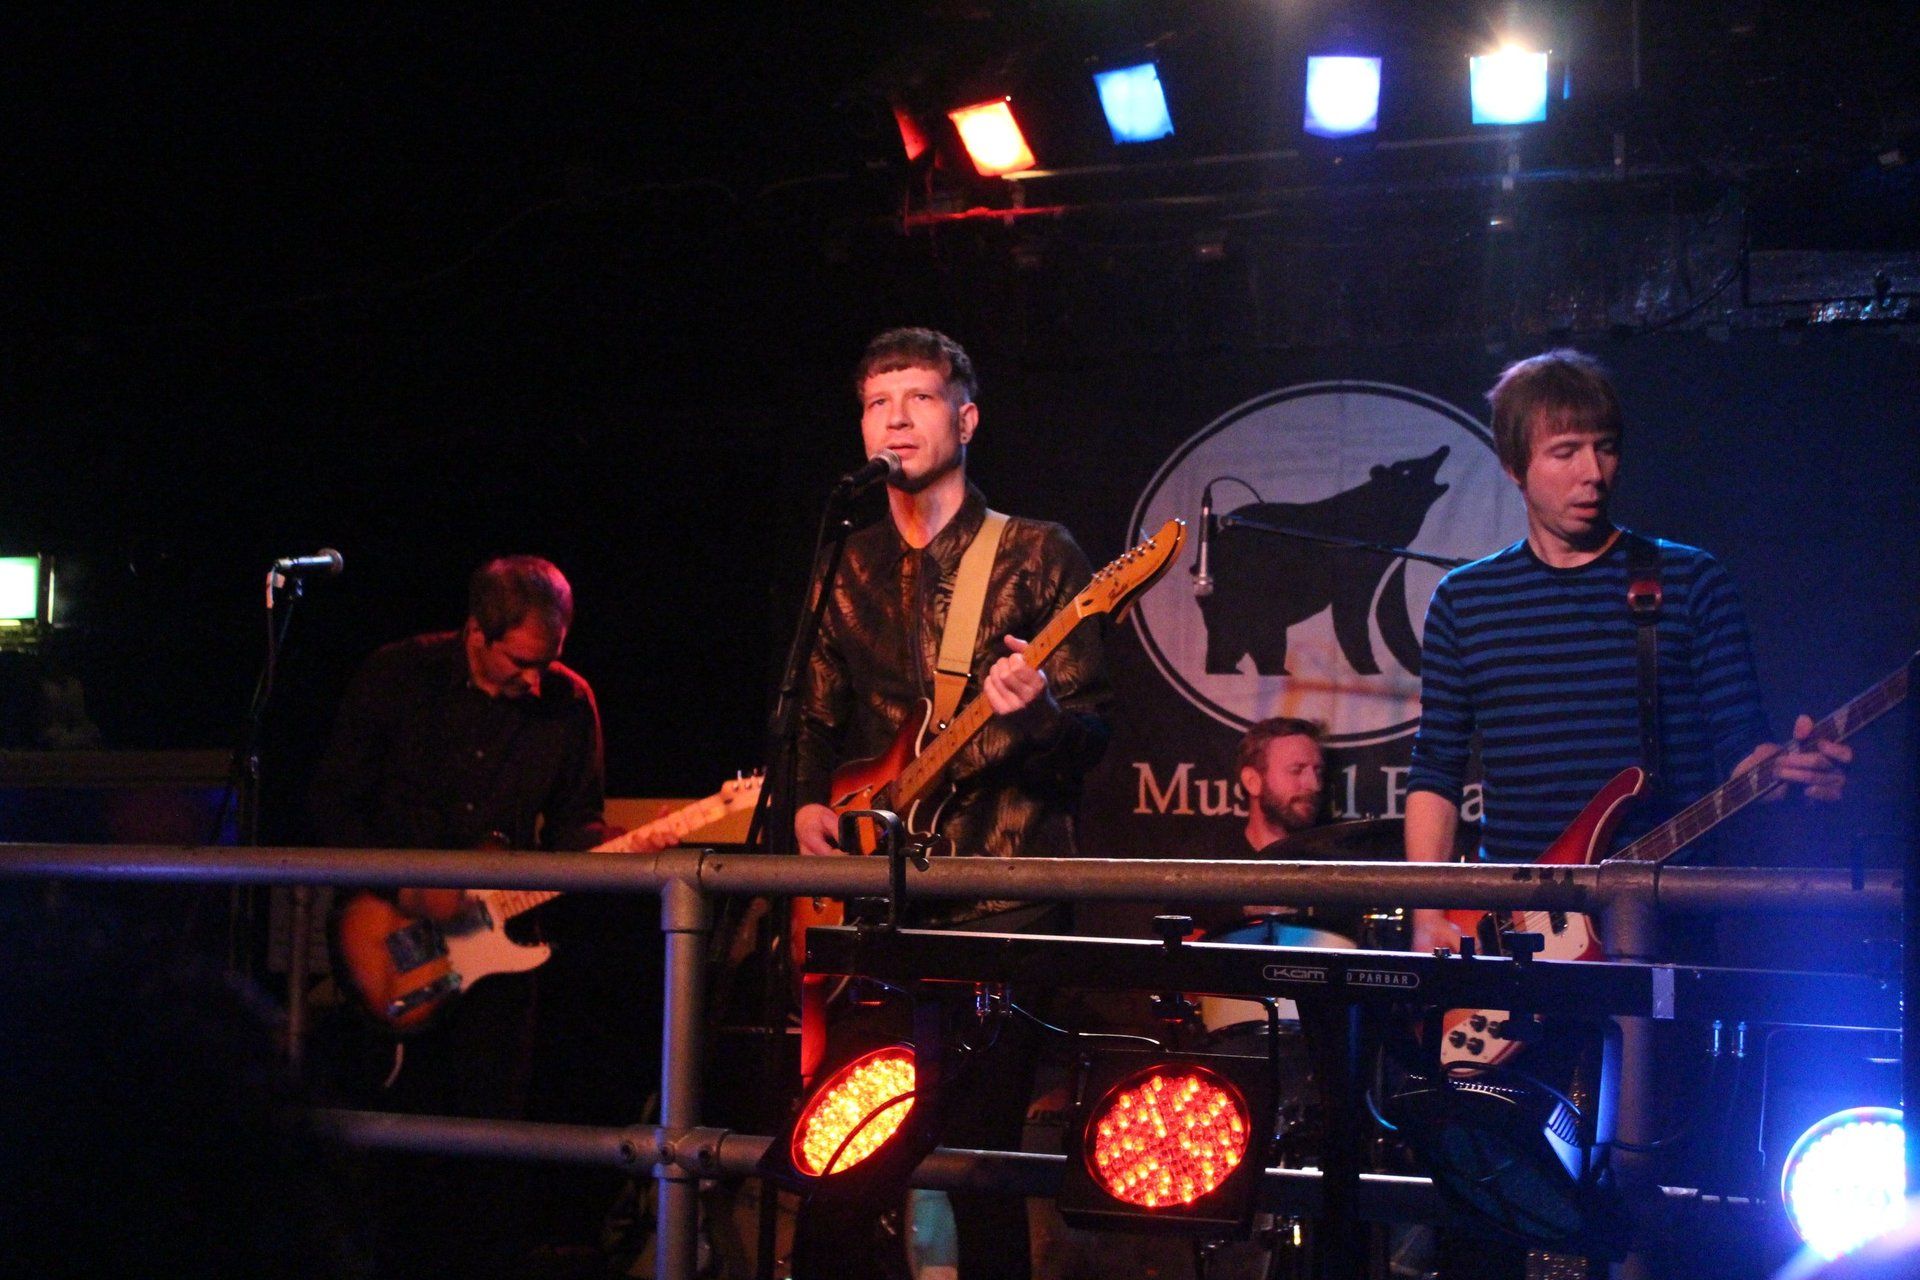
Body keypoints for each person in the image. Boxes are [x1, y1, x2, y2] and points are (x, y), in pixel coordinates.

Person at [788, 327, 1112, 1280]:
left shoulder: (1038, 555)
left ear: (965, 418)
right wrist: (807, 804)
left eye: (920, 397)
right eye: (878, 401)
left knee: (980, 1176)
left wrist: (1045, 712)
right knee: (838, 1159)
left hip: (1001, 902)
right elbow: (806, 715)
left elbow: (1090, 742)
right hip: (877, 900)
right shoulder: (842, 559)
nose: (896, 416)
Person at [1403, 349, 1850, 955]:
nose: (1594, 471)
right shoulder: (1464, 600)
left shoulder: (1690, 579)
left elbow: (1743, 744)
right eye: (1566, 452)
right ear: (1513, 464)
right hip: (1518, 927)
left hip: (1663, 915)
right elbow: (1437, 769)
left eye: (1606, 447)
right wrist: (1427, 908)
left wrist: (1785, 773)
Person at [308, 555, 663, 1277]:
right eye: (523, 661)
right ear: (477, 632)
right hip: (387, 933)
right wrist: (412, 888)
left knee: (488, 1136)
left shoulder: (569, 702)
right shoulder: (396, 676)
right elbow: (332, 804)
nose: (537, 680)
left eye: (550, 661)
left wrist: (628, 849)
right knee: (389, 1129)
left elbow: (575, 826)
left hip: (499, 954)